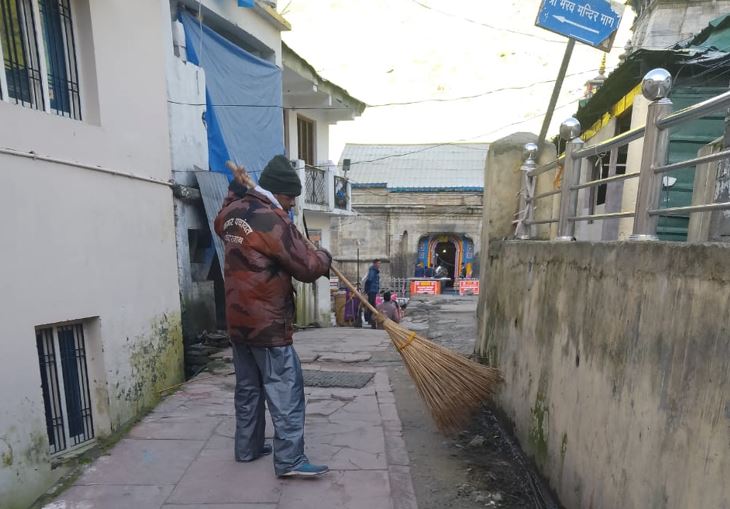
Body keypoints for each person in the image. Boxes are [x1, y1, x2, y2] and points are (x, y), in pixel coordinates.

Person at [214, 155, 332, 478]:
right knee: (286, 391)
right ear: (278, 192)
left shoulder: (233, 213)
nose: (292, 203)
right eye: (290, 196)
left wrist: (233, 190)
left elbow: (218, 220)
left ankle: (247, 447)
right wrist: (324, 256)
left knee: (249, 388)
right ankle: (291, 460)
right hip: (268, 323)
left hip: (238, 324)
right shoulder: (274, 221)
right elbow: (307, 268)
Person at [363, 259, 381, 328]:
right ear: (375, 264)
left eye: (380, 263)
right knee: (371, 305)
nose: (379, 265)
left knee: (372, 305)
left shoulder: (375, 271)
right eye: (378, 263)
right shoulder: (373, 270)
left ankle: (371, 319)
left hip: (373, 289)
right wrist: (367, 290)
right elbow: (369, 280)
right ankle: (370, 319)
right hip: (371, 290)